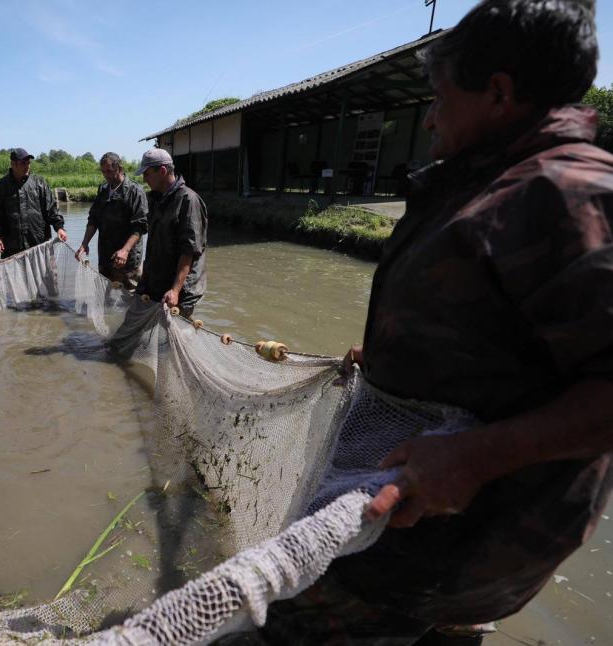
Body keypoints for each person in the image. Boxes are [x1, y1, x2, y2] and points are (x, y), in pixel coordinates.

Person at [263, 1, 613, 643]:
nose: (429, 118)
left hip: (441, 543)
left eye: (441, 98)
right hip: (434, 540)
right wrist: (393, 351)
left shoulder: (567, 194)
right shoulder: (491, 184)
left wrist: (476, 456)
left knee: (274, 623)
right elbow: (499, 336)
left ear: (499, 94)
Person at [134, 148, 208, 317]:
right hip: (155, 281)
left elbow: (188, 251)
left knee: (171, 337)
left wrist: (175, 290)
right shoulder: (155, 199)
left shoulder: (188, 201)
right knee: (134, 327)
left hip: (181, 289)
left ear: (162, 171)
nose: (144, 179)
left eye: (147, 174)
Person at [75, 152, 148, 287]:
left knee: (130, 296)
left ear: (119, 169)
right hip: (105, 255)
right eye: (103, 172)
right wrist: (84, 244)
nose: (105, 175)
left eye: (108, 171)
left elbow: (140, 226)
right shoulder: (103, 189)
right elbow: (93, 219)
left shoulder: (135, 191)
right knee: (105, 293)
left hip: (128, 258)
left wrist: (125, 251)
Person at [0, 148, 67, 258]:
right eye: (23, 163)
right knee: (15, 275)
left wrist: (59, 228)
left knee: (43, 275)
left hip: (39, 243)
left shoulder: (40, 183)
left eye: (29, 163)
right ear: (13, 164)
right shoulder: (1, 186)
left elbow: (51, 208)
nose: (27, 166)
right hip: (12, 247)